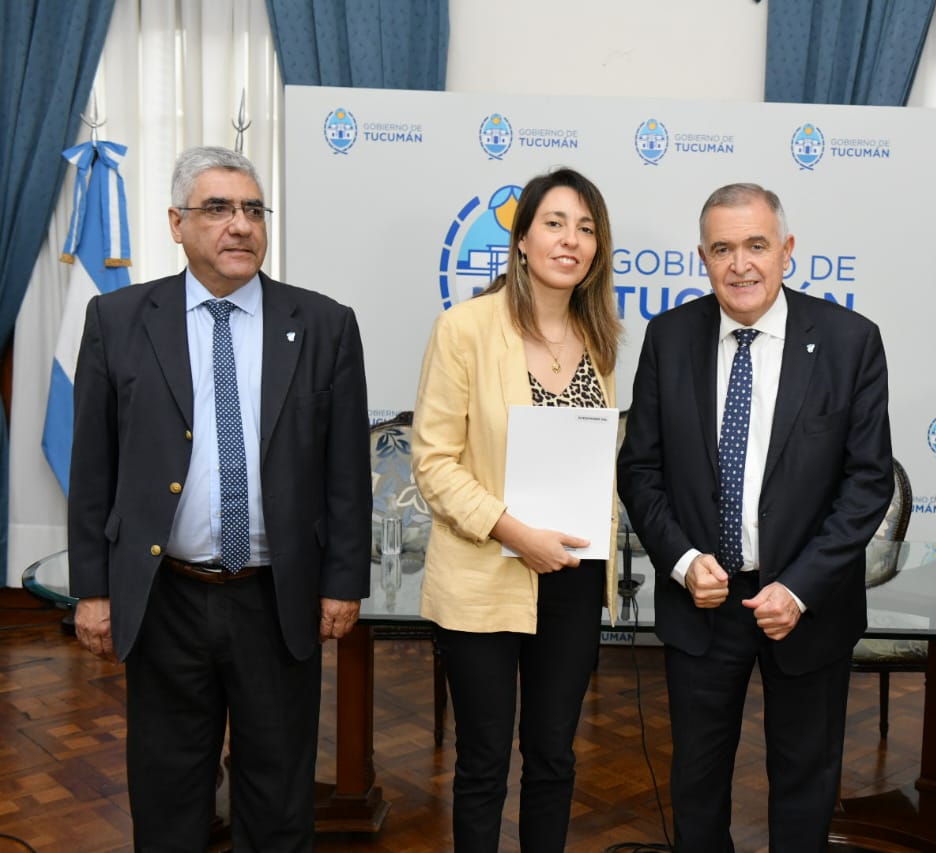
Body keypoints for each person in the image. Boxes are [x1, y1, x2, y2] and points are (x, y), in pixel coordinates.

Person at [68, 146, 371, 850]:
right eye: (218, 209)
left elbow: (346, 471)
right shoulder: (118, 319)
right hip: (165, 597)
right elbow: (93, 467)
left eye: (252, 209)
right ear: (177, 223)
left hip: (278, 597)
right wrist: (93, 590)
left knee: (279, 795)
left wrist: (343, 582)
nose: (240, 225)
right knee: (168, 793)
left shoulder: (324, 324)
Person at [617, 183, 893, 851]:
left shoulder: (849, 341)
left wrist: (798, 587)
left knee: (805, 776)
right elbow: (640, 470)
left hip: (807, 604)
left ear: (787, 250)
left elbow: (867, 483)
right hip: (703, 601)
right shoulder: (668, 337)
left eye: (756, 245)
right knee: (697, 780)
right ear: (702, 258)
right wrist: (683, 561)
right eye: (722, 249)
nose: (739, 264)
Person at [411, 167, 622, 852]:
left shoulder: (600, 337)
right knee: (482, 761)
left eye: (586, 228)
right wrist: (515, 531)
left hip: (573, 576)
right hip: (485, 575)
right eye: (554, 223)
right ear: (522, 240)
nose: (570, 240)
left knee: (554, 756)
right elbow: (433, 463)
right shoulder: (465, 328)